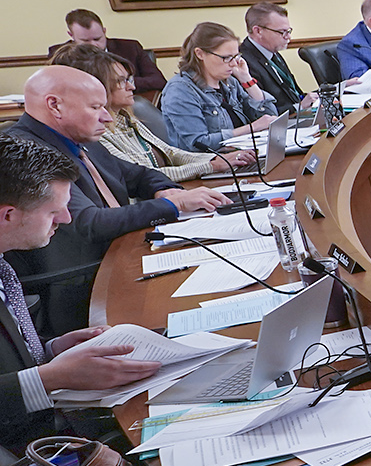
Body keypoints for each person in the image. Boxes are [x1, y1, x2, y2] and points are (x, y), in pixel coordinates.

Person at [6, 65, 226, 334]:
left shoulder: (79, 138)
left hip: (122, 255)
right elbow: (89, 223)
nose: (107, 117)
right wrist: (174, 205)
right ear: (55, 105)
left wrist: (164, 191)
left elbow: (138, 174)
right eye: (95, 107)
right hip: (82, 282)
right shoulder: (29, 154)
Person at [0, 139, 161, 452]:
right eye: (54, 211)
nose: (66, 219)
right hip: (27, 451)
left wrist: (51, 349)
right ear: (8, 215)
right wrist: (50, 377)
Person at [48, 43, 252, 183]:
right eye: (122, 81)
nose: (132, 87)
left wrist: (219, 160)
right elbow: (144, 175)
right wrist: (211, 166)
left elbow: (170, 153)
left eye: (129, 79)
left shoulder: (125, 117)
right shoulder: (95, 133)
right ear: (98, 86)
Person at [162, 23, 279, 154]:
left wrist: (246, 79)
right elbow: (198, 143)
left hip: (242, 156)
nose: (234, 64)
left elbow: (271, 117)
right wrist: (251, 128)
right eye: (226, 58)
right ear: (200, 54)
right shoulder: (180, 91)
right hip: (208, 163)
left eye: (236, 56)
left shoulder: (230, 82)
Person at [47, 9, 166, 99]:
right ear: (71, 36)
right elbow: (58, 89)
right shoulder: (61, 55)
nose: (93, 45)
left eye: (97, 38)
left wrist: (121, 83)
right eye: (85, 41)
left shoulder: (130, 48)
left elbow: (158, 80)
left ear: (104, 31)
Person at [238, 2, 308, 114]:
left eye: (289, 31)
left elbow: (293, 92)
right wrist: (299, 107)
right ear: (258, 31)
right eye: (282, 32)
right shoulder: (243, 62)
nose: (288, 37)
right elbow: (260, 111)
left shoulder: (272, 52)